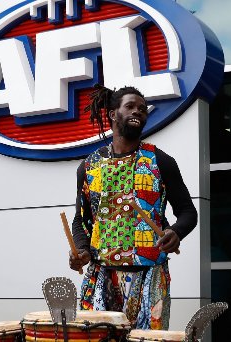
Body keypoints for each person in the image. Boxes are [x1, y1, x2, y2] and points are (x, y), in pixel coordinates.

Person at [67, 84, 197, 330]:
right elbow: (81, 220)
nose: (138, 112)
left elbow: (188, 212)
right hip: (102, 274)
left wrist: (176, 232)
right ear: (113, 114)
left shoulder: (160, 161)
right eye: (130, 107)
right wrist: (81, 251)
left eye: (142, 109)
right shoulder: (89, 166)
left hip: (149, 274)